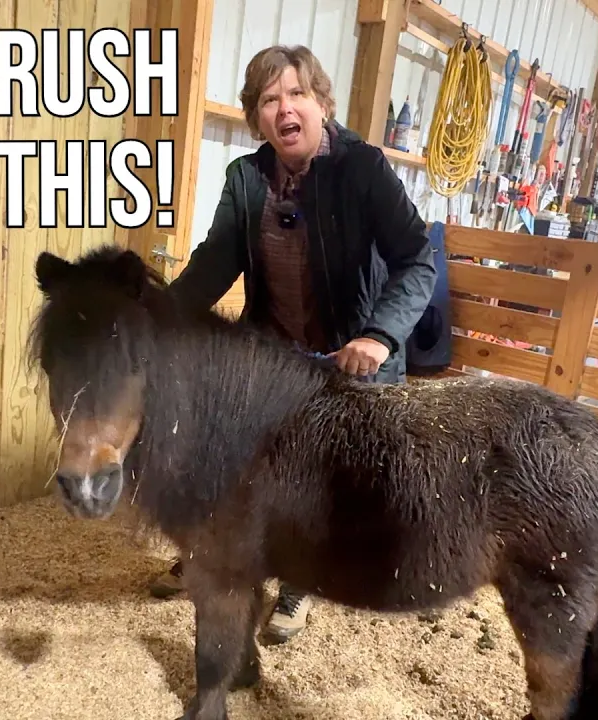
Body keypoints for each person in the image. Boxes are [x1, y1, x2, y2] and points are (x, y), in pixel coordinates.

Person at [150, 44, 438, 644]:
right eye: (269, 99)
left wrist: (379, 336)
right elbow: (214, 263)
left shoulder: (363, 169)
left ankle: (300, 579)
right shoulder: (246, 179)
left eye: (297, 93)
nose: (285, 108)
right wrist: (158, 318)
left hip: (351, 362)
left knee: (315, 472)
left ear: (322, 104)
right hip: (276, 356)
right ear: (257, 117)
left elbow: (418, 259)